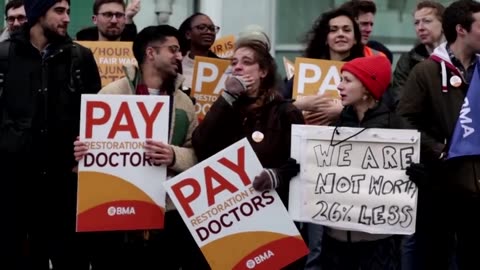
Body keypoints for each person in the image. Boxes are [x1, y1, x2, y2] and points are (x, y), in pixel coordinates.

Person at [73, 25, 201, 270]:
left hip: (167, 216)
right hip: (115, 217)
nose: (179, 56)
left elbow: (197, 153)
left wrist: (173, 155)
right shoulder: (111, 94)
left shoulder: (184, 102)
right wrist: (83, 152)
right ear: (151, 53)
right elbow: (88, 149)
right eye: (173, 49)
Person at [0, 0, 102, 269]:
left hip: (65, 183)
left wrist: (86, 145)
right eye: (59, 11)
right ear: (37, 14)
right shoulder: (5, 55)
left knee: (70, 258)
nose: (67, 18)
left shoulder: (80, 57)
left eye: (67, 11)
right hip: (16, 182)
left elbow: (95, 118)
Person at [192, 38, 305, 269]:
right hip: (232, 217)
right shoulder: (228, 107)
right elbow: (201, 145)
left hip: (272, 217)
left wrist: (277, 175)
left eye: (246, 62)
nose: (237, 67)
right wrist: (226, 98)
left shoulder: (285, 111)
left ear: (263, 71)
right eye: (234, 62)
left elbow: (300, 163)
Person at [398, 1, 480, 269]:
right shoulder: (426, 71)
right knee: (435, 257)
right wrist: (437, 149)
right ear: (462, 30)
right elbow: (404, 119)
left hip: (477, 185)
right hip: (440, 183)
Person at [319, 55, 402, 270]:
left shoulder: (397, 128)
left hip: (377, 245)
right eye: (341, 79)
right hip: (335, 242)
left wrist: (417, 175)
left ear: (367, 88)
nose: (339, 86)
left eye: (347, 80)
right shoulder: (335, 125)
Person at [391, 1, 445, 110]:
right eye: (416, 22)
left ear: (444, 24)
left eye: (427, 21)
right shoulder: (407, 61)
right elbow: (400, 102)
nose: (420, 28)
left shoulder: (460, 57)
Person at [178, 12, 220, 91]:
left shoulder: (223, 68)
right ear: (188, 34)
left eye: (212, 28)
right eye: (201, 27)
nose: (209, 32)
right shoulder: (177, 66)